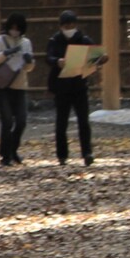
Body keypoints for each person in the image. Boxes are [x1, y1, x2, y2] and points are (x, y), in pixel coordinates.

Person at [46, 10, 108, 167]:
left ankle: (87, 152)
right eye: (67, 25)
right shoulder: (55, 40)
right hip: (61, 86)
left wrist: (101, 59)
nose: (70, 28)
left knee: (83, 121)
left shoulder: (84, 39)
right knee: (61, 122)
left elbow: (95, 57)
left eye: (72, 25)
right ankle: (62, 155)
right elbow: (48, 57)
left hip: (79, 85)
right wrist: (57, 61)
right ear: (61, 26)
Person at [0, 12, 35, 167]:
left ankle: (13, 149)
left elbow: (29, 67)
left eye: (18, 28)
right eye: (12, 27)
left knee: (21, 121)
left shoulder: (26, 42)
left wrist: (29, 61)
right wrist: (6, 54)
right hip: (1, 86)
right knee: (7, 120)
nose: (15, 30)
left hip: (19, 85)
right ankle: (5, 155)